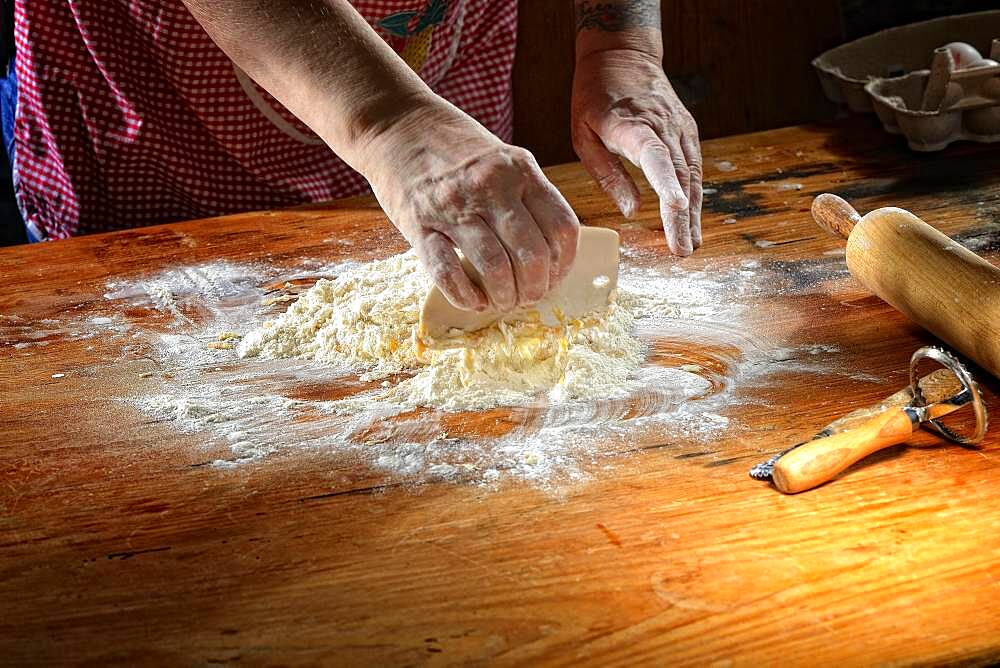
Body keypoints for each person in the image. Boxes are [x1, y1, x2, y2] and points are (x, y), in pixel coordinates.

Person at [3, 0, 701, 311]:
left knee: (468, 233)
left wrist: (619, 42)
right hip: (165, 93)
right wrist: (394, 123)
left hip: (435, 74)